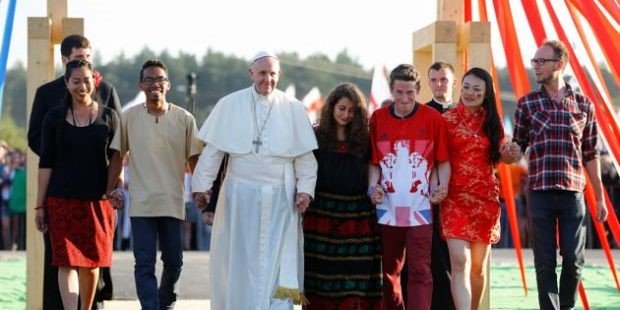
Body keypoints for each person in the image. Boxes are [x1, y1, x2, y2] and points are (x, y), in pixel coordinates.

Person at [192, 51, 318, 309]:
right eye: (262, 73)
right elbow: (213, 152)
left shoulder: (294, 108)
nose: (267, 79)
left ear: (279, 75)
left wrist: (305, 190)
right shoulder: (229, 104)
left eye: (273, 74)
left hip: (281, 200)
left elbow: (305, 159)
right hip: (239, 198)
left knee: (277, 261)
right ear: (251, 73)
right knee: (239, 259)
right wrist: (201, 188)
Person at [509, 40, 608, 310]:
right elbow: (518, 148)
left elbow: (591, 154)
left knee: (574, 260)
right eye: (534, 61)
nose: (536, 66)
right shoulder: (526, 104)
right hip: (538, 191)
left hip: (573, 192)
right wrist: (509, 151)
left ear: (559, 64)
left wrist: (599, 197)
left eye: (542, 61)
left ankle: (566, 307)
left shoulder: (584, 105)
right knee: (544, 261)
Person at [27, 34, 120, 310]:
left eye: (88, 59)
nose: (82, 85)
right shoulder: (48, 99)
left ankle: (91, 306)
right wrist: (40, 203)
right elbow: (42, 150)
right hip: (61, 190)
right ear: (65, 62)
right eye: (76, 78)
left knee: (93, 261)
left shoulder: (107, 96)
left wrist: (116, 186)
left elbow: (118, 150)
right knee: (63, 259)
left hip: (97, 195)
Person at [114, 59, 203, 309]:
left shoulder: (184, 118)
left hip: (173, 203)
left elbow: (195, 159)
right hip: (141, 204)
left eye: (160, 79)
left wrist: (201, 191)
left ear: (169, 85)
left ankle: (165, 303)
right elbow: (117, 155)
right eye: (150, 80)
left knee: (174, 261)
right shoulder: (128, 117)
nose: (155, 84)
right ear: (141, 85)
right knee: (144, 263)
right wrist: (115, 187)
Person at [368, 64, 450, 310]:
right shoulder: (378, 119)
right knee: (389, 272)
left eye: (410, 93)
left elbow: (443, 161)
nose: (404, 99)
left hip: (420, 210)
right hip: (387, 210)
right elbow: (373, 163)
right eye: (399, 93)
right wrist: (372, 188)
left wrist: (442, 187)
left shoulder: (433, 118)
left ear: (418, 91)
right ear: (391, 91)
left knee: (420, 271)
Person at [440, 67, 519, 309]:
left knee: (477, 269)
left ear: (486, 93)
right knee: (459, 262)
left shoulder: (493, 124)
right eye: (466, 87)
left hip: (484, 201)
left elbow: (502, 158)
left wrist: (510, 155)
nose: (469, 93)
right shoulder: (446, 120)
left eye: (476, 89)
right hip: (454, 199)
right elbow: (438, 158)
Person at [302, 83, 383, 309]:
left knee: (354, 284)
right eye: (342, 109)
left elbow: (374, 170)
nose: (346, 115)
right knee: (319, 282)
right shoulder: (315, 136)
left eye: (352, 111)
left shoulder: (365, 139)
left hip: (357, 219)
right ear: (331, 108)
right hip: (321, 219)